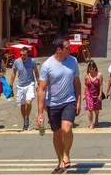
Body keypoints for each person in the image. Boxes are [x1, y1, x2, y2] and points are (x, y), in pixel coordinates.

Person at [37, 37, 81, 174]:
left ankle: (66, 154)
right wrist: (40, 113)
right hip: (53, 103)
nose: (70, 50)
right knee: (57, 134)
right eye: (68, 48)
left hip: (69, 100)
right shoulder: (47, 65)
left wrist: (79, 101)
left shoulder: (73, 61)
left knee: (66, 130)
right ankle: (60, 160)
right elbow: (42, 89)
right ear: (59, 49)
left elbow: (77, 82)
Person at [10, 46, 40, 131]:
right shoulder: (17, 62)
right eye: (21, 55)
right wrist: (10, 84)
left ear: (28, 54)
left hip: (30, 83)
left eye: (24, 55)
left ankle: (27, 116)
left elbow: (36, 72)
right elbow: (13, 73)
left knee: (29, 102)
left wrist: (38, 83)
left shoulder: (32, 61)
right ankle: (25, 120)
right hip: (20, 85)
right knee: (22, 105)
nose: (22, 57)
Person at [83, 60, 103, 128]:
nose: (91, 70)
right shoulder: (86, 75)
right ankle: (91, 123)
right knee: (90, 108)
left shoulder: (99, 74)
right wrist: (84, 94)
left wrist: (100, 95)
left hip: (96, 93)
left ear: (95, 68)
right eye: (90, 69)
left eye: (92, 69)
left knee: (96, 109)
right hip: (89, 94)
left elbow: (101, 85)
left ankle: (96, 119)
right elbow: (85, 85)